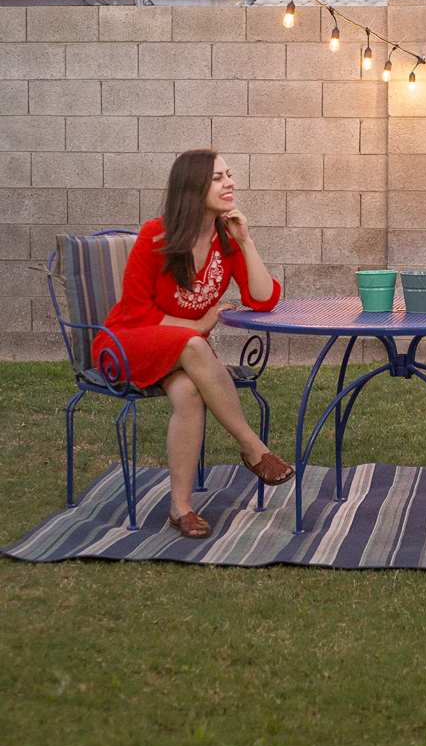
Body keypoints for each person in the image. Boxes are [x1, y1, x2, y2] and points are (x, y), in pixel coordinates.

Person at [93, 149, 293, 539]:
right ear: (192, 187)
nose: (230, 183)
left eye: (228, 175)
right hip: (124, 345)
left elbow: (263, 299)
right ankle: (253, 448)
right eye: (218, 178)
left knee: (187, 392)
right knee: (196, 345)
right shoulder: (157, 234)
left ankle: (180, 507)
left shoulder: (225, 242)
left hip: (179, 354)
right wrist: (199, 323)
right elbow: (135, 312)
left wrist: (246, 241)